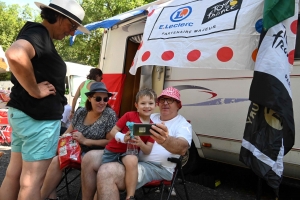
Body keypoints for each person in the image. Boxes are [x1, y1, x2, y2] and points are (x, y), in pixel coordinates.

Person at [0, 0, 90, 200]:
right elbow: (14, 54)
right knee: (32, 182)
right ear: (59, 16)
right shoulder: (39, 33)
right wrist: (35, 90)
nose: (72, 32)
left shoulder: (38, 35)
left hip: (25, 115)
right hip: (38, 119)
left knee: (14, 174)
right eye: (72, 26)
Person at [80, 87, 192, 200]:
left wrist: (164, 140)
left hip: (156, 167)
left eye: (170, 100)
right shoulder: (150, 116)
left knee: (107, 172)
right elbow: (121, 127)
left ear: (178, 105)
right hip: (128, 153)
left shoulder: (182, 125)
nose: (165, 103)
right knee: (89, 158)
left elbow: (182, 148)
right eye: (162, 100)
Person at [41, 82, 117, 200]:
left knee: (62, 158)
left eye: (105, 99)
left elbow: (110, 142)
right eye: (98, 98)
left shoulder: (109, 115)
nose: (102, 102)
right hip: (75, 150)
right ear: (89, 98)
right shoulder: (81, 111)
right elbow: (69, 130)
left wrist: (86, 140)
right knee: (53, 157)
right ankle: (44, 196)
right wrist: (60, 141)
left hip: (97, 155)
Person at [101, 88, 157, 200]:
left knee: (133, 160)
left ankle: (130, 196)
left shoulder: (153, 127)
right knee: (102, 182)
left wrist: (141, 143)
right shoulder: (129, 115)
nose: (147, 106)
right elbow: (113, 131)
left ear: (155, 105)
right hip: (112, 151)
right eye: (143, 103)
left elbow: (148, 150)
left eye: (150, 103)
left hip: (129, 152)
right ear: (136, 105)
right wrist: (122, 137)